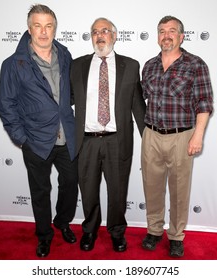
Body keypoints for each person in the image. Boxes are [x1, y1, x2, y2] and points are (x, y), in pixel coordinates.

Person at [0, 4, 78, 258]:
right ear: (29, 28)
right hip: (36, 141)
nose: (43, 32)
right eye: (37, 25)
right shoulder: (13, 64)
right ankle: (44, 235)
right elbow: (5, 104)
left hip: (67, 137)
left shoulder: (65, 55)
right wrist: (22, 138)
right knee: (40, 192)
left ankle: (62, 222)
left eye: (48, 25)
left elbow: (71, 93)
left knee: (71, 184)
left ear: (55, 28)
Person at [70, 17, 146, 252]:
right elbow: (67, 101)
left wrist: (150, 140)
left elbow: (138, 105)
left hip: (117, 140)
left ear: (114, 35)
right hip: (86, 142)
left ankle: (116, 231)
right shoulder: (77, 66)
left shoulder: (131, 65)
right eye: (94, 32)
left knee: (117, 191)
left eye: (105, 31)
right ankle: (90, 231)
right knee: (89, 191)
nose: (99, 35)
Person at [141, 15, 213, 257]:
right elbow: (141, 100)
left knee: (180, 190)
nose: (166, 35)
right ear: (158, 36)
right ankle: (153, 230)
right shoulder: (149, 65)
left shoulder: (196, 64)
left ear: (181, 36)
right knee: (152, 188)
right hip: (151, 135)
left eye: (172, 30)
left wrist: (198, 136)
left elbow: (204, 103)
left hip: (182, 136)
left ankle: (176, 235)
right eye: (162, 31)